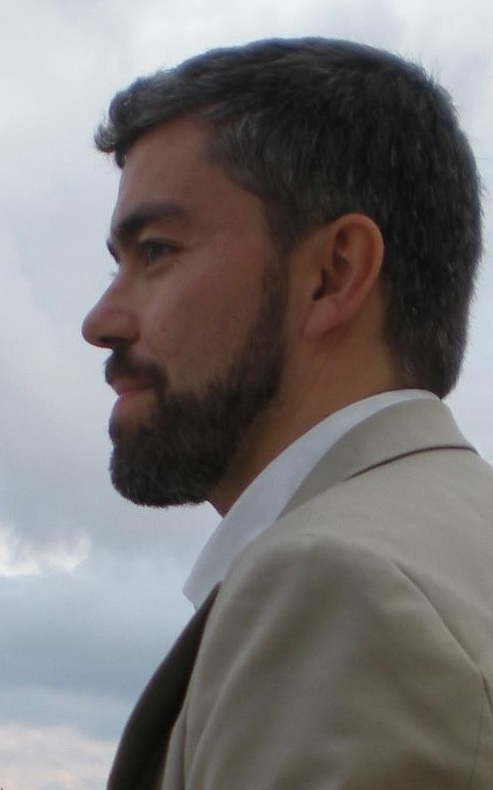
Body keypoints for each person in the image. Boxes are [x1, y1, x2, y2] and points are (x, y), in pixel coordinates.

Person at [82, 38, 493, 789]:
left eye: (156, 251)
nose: (100, 321)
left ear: (333, 274)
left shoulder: (340, 584)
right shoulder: (461, 546)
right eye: (118, 263)